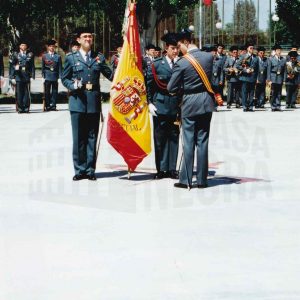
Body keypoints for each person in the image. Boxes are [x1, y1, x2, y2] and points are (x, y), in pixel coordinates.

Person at [62, 27, 113, 181]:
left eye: (90, 36)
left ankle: (90, 170)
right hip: (77, 102)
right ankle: (79, 170)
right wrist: (73, 85)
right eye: (85, 36)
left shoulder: (98, 57)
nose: (88, 39)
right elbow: (64, 78)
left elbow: (111, 75)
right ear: (78, 39)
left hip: (93, 103)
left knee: (92, 137)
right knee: (79, 138)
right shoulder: (71, 58)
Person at [167, 29, 215, 189]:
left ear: (185, 43)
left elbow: (171, 87)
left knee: (188, 142)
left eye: (179, 45)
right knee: (203, 141)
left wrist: (182, 88)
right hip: (206, 102)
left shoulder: (182, 62)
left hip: (189, 104)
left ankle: (186, 179)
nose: (178, 48)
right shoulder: (209, 57)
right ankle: (202, 180)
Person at [146, 33, 180, 179]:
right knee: (160, 138)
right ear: (167, 48)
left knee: (173, 137)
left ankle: (172, 168)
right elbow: (149, 85)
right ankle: (161, 169)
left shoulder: (181, 64)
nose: (175, 51)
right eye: (173, 48)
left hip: (175, 106)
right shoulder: (157, 64)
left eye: (177, 48)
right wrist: (149, 103)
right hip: (160, 105)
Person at [9, 40, 35, 113]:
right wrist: (12, 77)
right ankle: (20, 108)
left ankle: (26, 108)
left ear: (26, 46)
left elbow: (32, 66)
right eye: (22, 45)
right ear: (19, 46)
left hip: (26, 76)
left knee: (26, 93)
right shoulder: (15, 54)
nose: (23, 46)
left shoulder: (30, 54)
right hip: (18, 76)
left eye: (24, 45)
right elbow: (12, 65)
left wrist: (32, 76)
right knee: (19, 93)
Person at [236, 42, 259, 112]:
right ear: (247, 49)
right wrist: (245, 70)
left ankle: (251, 107)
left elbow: (257, 68)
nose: (252, 49)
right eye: (250, 48)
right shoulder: (243, 56)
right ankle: (245, 106)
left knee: (252, 93)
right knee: (245, 93)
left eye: (253, 48)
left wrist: (257, 78)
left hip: (252, 78)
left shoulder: (256, 57)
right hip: (245, 77)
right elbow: (237, 66)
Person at [41, 39, 62, 111]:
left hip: (55, 76)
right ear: (48, 47)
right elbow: (43, 67)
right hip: (47, 75)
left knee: (55, 92)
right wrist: (43, 76)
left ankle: (53, 105)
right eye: (50, 46)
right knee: (47, 92)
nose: (52, 48)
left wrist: (60, 77)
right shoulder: (44, 56)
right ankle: (47, 105)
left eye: (53, 46)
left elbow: (60, 67)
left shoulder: (58, 56)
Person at [267, 44, 286, 111]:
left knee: (279, 93)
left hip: (280, 77)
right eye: (278, 50)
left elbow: (284, 71)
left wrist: (284, 79)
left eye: (280, 50)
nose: (279, 51)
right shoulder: (271, 59)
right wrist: (269, 79)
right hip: (273, 77)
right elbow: (268, 70)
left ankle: (278, 106)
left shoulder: (283, 59)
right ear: (275, 51)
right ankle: (273, 106)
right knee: (273, 92)